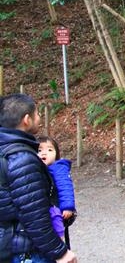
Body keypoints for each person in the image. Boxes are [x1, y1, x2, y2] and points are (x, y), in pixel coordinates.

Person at [0, 94, 77, 263]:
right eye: (37, 114)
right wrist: (60, 252)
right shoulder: (22, 158)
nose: (39, 117)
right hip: (25, 250)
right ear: (27, 120)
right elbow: (34, 214)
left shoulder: (5, 150)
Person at [37, 136, 77, 243]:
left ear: (56, 155)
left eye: (50, 150)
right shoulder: (36, 169)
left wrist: (67, 207)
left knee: (57, 224)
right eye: (39, 150)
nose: (44, 153)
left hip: (56, 209)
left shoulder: (58, 168)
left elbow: (65, 187)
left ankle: (61, 245)